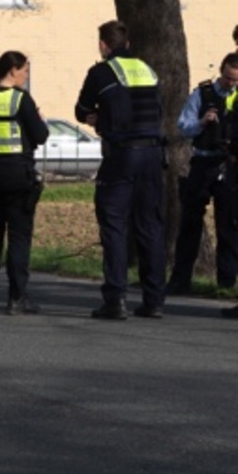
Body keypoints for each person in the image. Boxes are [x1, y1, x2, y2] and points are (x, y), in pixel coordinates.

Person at [75, 19, 165, 320]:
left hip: (122, 156)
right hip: (153, 155)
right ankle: (154, 300)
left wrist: (98, 118)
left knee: (114, 225)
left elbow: (81, 109)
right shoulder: (148, 70)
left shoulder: (101, 72)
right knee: (149, 225)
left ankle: (115, 299)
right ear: (127, 44)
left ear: (103, 45)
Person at [0, 51, 50, 316]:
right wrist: (38, 118)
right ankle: (17, 298)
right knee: (18, 237)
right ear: (13, 70)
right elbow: (40, 136)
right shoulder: (21, 99)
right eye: (25, 70)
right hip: (18, 175)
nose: (26, 76)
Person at [167, 53, 238, 294]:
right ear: (221, 72)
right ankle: (180, 280)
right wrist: (201, 122)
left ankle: (226, 283)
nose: (231, 84)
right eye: (228, 78)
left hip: (227, 165)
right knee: (190, 224)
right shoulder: (203, 94)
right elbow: (183, 126)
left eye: (235, 80)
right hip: (202, 162)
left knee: (228, 226)